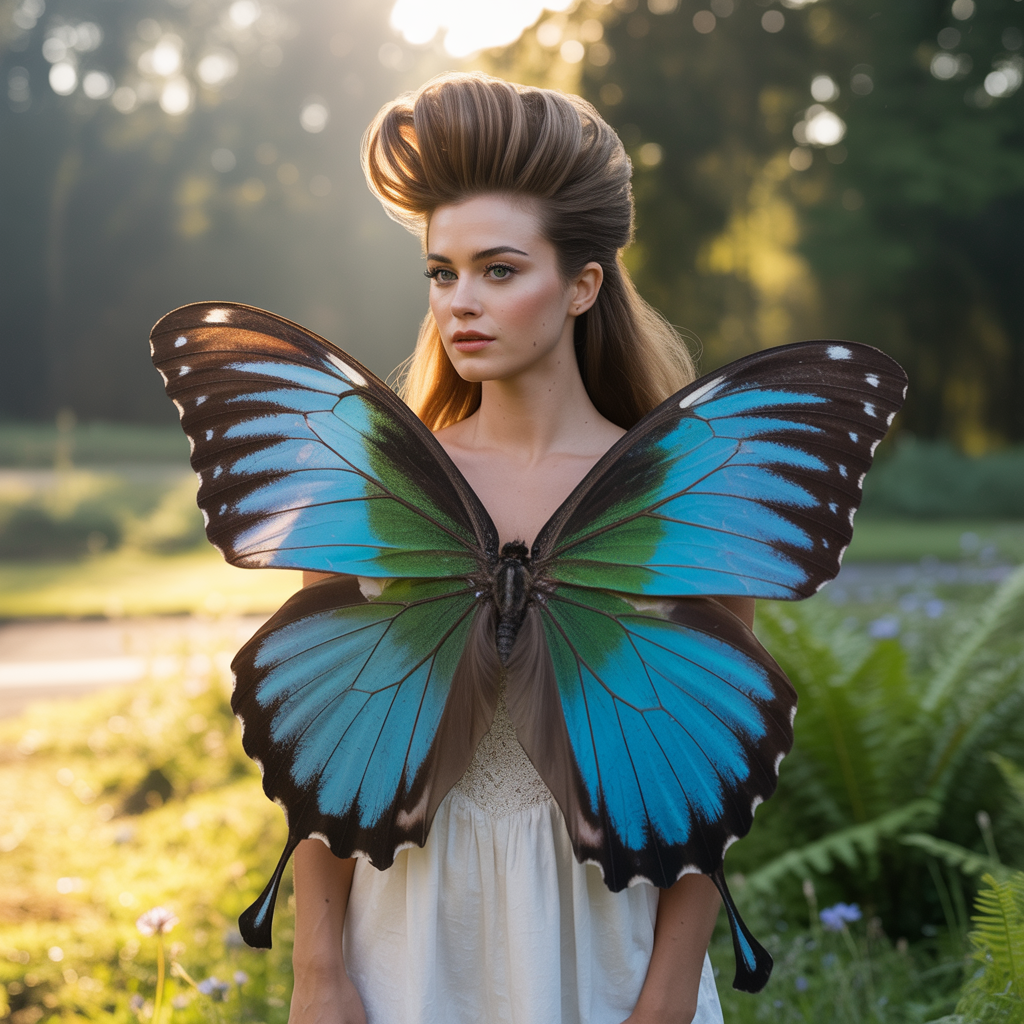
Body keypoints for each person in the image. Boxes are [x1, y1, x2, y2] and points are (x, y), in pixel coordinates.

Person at [287, 72, 748, 1024]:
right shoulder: (375, 489)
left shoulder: (680, 496)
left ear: (582, 284)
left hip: (609, 936)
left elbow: (717, 774)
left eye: (499, 270)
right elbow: (321, 747)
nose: (461, 302)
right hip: (410, 938)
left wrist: (666, 996)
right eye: (441, 272)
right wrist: (319, 973)